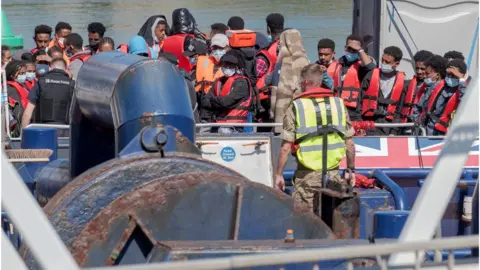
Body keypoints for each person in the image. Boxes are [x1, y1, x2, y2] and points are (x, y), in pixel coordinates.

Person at [274, 64, 356, 212]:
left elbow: (286, 147)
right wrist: (351, 170)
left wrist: (279, 174)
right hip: (333, 176)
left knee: (306, 223)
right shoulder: (338, 104)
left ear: (305, 82)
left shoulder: (297, 106)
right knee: (332, 220)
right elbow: (350, 144)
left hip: (307, 177)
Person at [200, 50, 253, 133]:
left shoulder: (242, 83)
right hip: (216, 124)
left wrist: (212, 99)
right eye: (225, 64)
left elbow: (227, 102)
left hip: (234, 127)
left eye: (231, 65)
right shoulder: (218, 81)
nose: (227, 67)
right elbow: (205, 101)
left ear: (237, 67)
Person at [414, 58, 468, 135]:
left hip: (449, 133)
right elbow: (419, 106)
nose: (450, 77)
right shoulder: (437, 85)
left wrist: (461, 80)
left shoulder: (466, 90)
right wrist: (417, 124)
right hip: (430, 130)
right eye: (448, 74)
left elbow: (466, 104)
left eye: (454, 75)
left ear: (462, 75)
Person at [360, 46, 406, 135]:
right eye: (382, 60)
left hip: (389, 128)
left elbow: (400, 109)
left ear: (396, 64)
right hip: (370, 126)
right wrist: (360, 125)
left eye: (387, 62)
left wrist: (394, 131)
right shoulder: (371, 75)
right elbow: (360, 101)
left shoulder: (403, 82)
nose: (383, 63)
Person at [273, 29, 310, 133]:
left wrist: (277, 126)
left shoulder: (286, 62)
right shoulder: (307, 61)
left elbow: (282, 95)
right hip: (305, 114)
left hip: (288, 118)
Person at [331, 34, 375, 121]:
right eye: (349, 48)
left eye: (354, 50)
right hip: (337, 108)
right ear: (345, 48)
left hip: (354, 111)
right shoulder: (338, 64)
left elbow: (372, 67)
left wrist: (359, 49)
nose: (351, 51)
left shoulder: (362, 66)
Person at [21, 58, 75, 128]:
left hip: (43, 129)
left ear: (50, 68)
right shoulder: (72, 84)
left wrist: (23, 135)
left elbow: (27, 114)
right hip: (65, 129)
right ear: (66, 69)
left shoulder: (41, 82)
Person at [412, 55, 448, 135]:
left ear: (437, 75)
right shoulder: (430, 88)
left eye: (427, 74)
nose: (425, 76)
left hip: (436, 132)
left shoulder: (445, 91)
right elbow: (418, 108)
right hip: (426, 129)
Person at [162, 8, 205, 73]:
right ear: (189, 21)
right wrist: (208, 41)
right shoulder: (189, 39)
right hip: (187, 74)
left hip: (171, 73)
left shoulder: (166, 40)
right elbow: (205, 49)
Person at [400, 50, 434, 123]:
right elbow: (399, 108)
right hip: (406, 124)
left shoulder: (435, 86)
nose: (419, 72)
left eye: (422, 69)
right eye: (417, 68)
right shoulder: (407, 85)